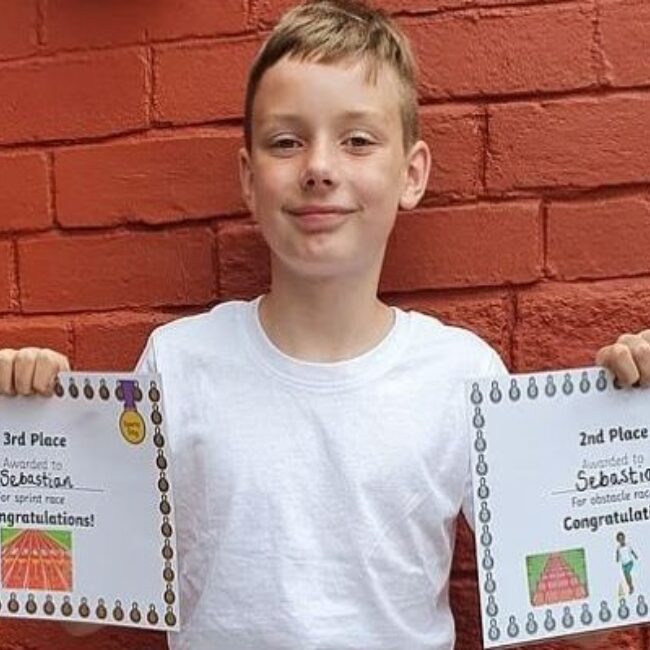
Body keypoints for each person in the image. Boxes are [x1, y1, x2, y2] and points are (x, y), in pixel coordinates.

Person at [2, 1, 650, 648]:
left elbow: (590, 628)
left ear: (412, 174)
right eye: (286, 141)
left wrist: (628, 437)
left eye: (357, 140)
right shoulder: (176, 364)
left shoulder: (462, 374)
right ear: (249, 179)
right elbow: (83, 611)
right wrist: (33, 430)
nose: (319, 167)